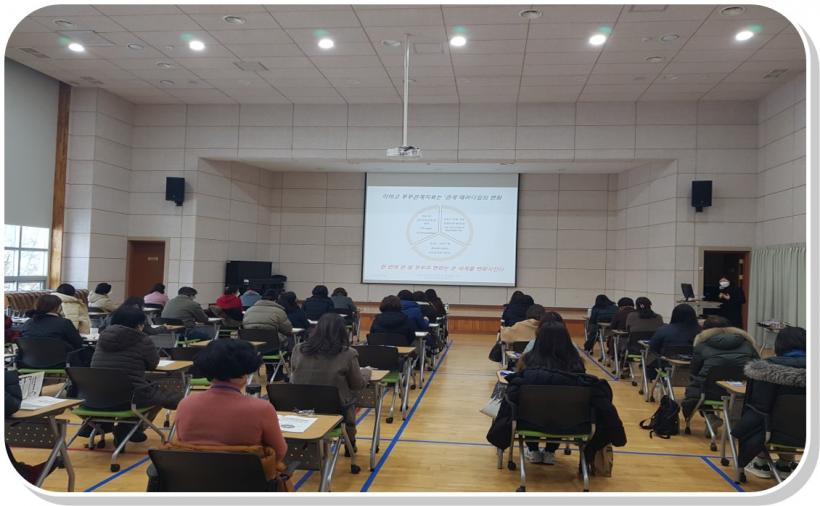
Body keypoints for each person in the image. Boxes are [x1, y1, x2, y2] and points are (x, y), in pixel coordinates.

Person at [488, 322, 626, 465]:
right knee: (561, 406)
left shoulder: (527, 361)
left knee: (532, 405)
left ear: (538, 340)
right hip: (572, 423)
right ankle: (550, 451)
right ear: (567, 340)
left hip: (528, 422)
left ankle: (533, 449)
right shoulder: (577, 364)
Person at [174, 338, 287, 457]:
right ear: (246, 370)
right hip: (246, 469)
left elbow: (182, 444)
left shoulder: (185, 404)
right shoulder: (262, 409)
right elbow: (280, 452)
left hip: (194, 469)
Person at [89, 308, 182, 445]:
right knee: (159, 395)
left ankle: (125, 429)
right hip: (128, 397)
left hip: (97, 396)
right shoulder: (143, 339)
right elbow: (153, 364)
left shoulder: (102, 338)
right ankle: (130, 429)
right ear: (139, 324)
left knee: (145, 390)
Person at [290, 313, 371, 450]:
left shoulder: (299, 349)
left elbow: (294, 375)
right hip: (335, 410)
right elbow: (357, 385)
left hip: (301, 408)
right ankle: (350, 441)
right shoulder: (348, 353)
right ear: (343, 332)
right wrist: (366, 372)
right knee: (350, 398)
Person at [734, 327, 805, 480]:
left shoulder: (765, 368)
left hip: (771, 432)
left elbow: (757, 408)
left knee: (760, 415)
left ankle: (761, 462)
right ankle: (785, 462)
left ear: (779, 345)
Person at [680, 316, 759, 421]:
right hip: (743, 393)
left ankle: (710, 417)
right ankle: (736, 421)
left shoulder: (701, 346)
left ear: (704, 330)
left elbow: (694, 372)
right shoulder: (748, 345)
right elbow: (758, 368)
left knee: (697, 386)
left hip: (710, 392)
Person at [17, 294, 83, 368]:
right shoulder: (64, 323)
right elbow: (78, 343)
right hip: (60, 363)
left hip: (29, 363)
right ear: (57, 307)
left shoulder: (28, 323)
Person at [646, 304, 701, 380]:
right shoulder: (701, 331)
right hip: (696, 369)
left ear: (674, 315)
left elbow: (653, 347)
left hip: (667, 367)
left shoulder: (663, 330)